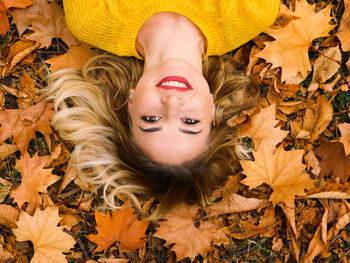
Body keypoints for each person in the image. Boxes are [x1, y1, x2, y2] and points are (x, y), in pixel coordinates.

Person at [44, 0, 280, 219]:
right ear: (211, 109)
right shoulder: (251, 11)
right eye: (189, 122)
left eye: (152, 118)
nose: (172, 102)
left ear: (130, 104)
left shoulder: (93, 18)